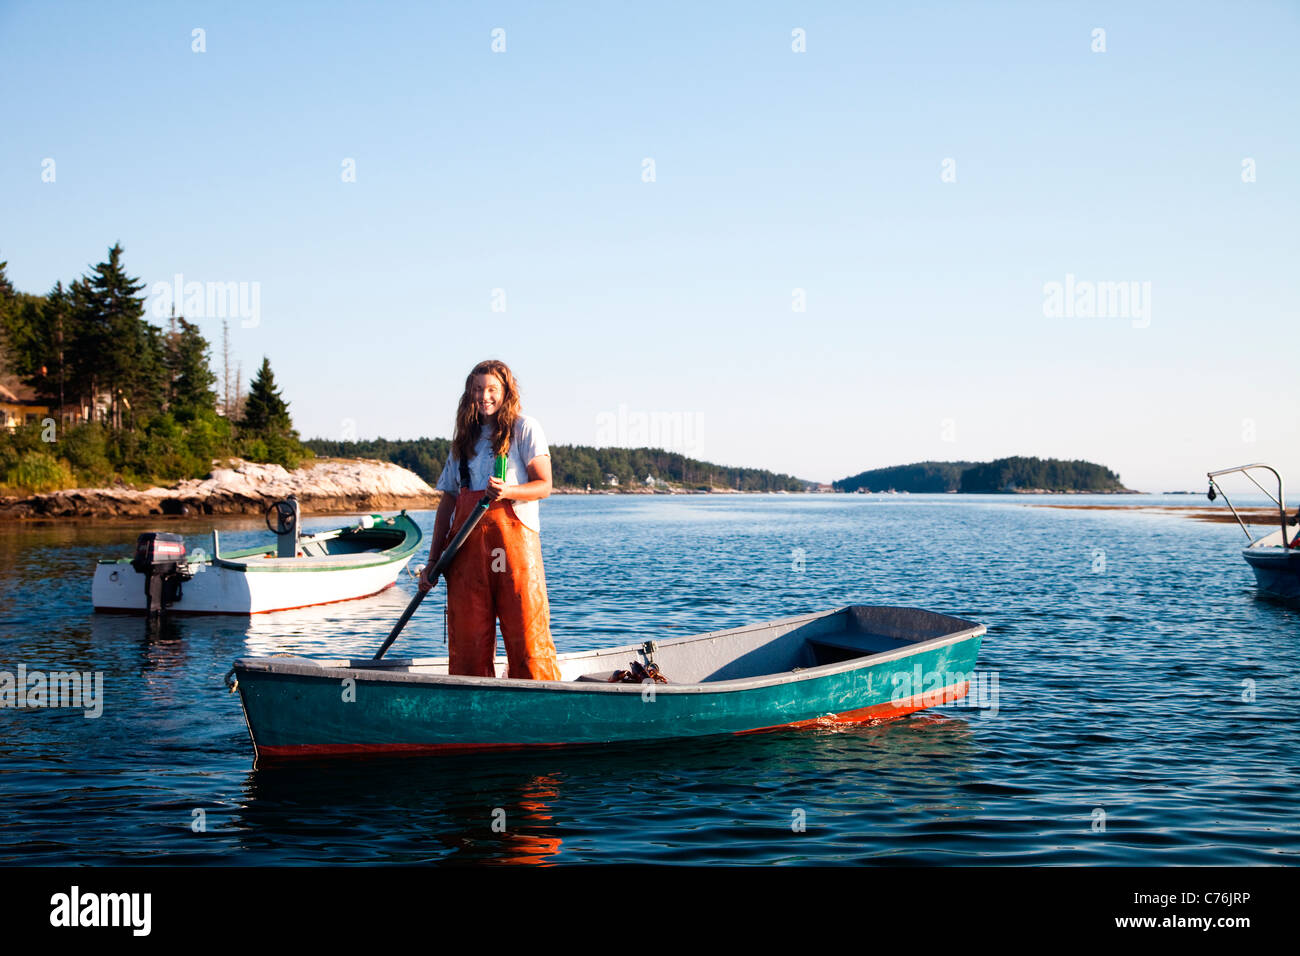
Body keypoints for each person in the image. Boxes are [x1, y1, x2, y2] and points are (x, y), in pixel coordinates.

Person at [419, 360, 562, 681]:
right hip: (466, 558)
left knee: (527, 638)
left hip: (515, 555)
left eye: (492, 389)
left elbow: (544, 485)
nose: (485, 396)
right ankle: (471, 709)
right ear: (469, 395)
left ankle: (540, 704)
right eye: (478, 390)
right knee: (468, 645)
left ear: (506, 392)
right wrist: (432, 561)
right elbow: (448, 503)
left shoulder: (525, 428)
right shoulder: (463, 441)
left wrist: (508, 490)